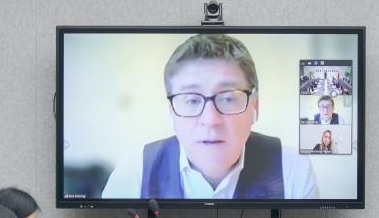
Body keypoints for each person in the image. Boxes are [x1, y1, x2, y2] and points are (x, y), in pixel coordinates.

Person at [101, 33, 319, 200]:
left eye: (228, 98)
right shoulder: (134, 173)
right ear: (171, 112)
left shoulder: (293, 171)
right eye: (191, 100)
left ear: (255, 106)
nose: (211, 120)